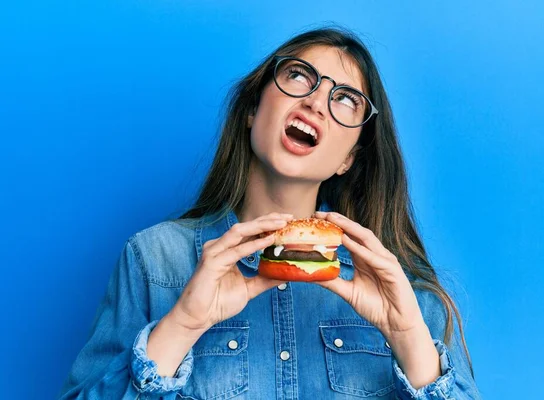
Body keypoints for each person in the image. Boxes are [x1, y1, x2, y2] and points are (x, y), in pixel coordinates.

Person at [60, 28, 481, 399]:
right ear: (252, 109)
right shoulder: (155, 259)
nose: (317, 102)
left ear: (348, 159)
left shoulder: (398, 286)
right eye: (299, 76)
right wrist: (183, 325)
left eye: (346, 100)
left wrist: (409, 339)